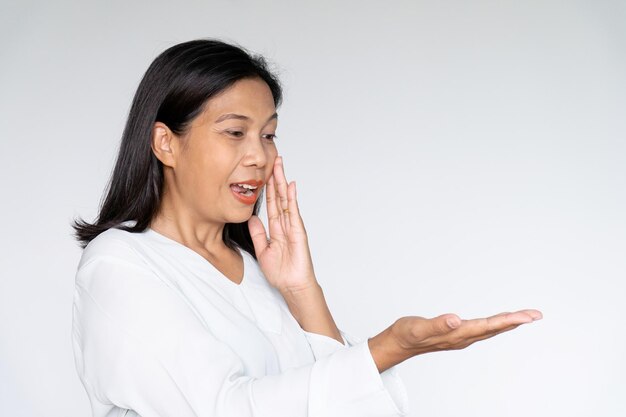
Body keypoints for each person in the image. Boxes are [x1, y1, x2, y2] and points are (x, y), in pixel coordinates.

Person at [71, 38, 542, 417]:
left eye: (269, 134)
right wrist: (388, 348)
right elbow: (221, 408)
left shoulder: (258, 270)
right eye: (235, 132)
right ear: (165, 143)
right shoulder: (119, 264)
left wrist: (302, 291)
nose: (259, 156)